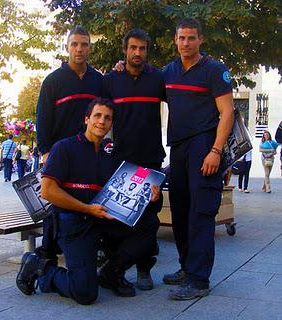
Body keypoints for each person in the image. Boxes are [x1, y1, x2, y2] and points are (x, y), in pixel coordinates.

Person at [16, 98, 160, 304]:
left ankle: (111, 272)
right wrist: (86, 209)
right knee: (85, 293)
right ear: (86, 119)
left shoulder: (111, 157)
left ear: (111, 124)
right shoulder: (64, 148)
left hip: (100, 219)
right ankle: (41, 269)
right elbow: (48, 191)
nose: (102, 121)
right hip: (73, 223)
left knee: (149, 223)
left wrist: (149, 197)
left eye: (108, 118)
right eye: (97, 116)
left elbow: (125, 194)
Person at [162, 18, 234, 300]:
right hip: (178, 147)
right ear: (175, 40)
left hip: (204, 146)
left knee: (201, 213)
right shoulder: (169, 72)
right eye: (181, 38)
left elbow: (227, 113)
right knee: (179, 210)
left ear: (201, 40)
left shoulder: (215, 71)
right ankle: (185, 266)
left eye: (191, 38)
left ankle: (198, 279)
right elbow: (142, 82)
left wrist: (215, 150)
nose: (186, 43)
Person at [104, 28, 166, 290]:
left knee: (149, 217)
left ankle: (144, 268)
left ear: (146, 51)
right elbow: (101, 116)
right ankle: (116, 268)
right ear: (125, 50)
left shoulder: (158, 79)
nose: (137, 52)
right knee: (119, 217)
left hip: (150, 161)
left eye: (142, 48)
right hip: (121, 162)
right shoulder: (111, 80)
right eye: (133, 48)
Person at [35, 26, 104, 261]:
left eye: (84, 44)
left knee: (84, 200)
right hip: (59, 153)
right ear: (66, 47)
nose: (79, 49)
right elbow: (43, 119)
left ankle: (87, 246)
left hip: (87, 153)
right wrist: (45, 151)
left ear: (90, 48)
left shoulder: (98, 80)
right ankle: (47, 255)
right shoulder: (53, 81)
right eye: (74, 44)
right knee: (53, 205)